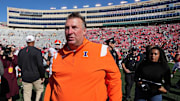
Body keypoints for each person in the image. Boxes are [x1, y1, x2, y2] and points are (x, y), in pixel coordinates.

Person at [44, 12, 122, 101]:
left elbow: (114, 81)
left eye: (74, 28)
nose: (70, 32)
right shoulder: (57, 56)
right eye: (67, 28)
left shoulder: (100, 51)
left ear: (84, 31)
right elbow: (51, 85)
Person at [18, 35, 45, 101]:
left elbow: (19, 64)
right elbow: (40, 65)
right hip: (36, 75)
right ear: (34, 41)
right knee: (39, 90)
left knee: (27, 94)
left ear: (26, 42)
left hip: (25, 75)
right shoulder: (37, 51)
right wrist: (42, 75)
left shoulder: (21, 51)